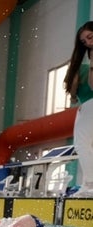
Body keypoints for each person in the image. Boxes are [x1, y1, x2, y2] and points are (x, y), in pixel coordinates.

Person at [63, 21, 93, 196]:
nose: (88, 43)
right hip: (87, 106)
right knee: (86, 146)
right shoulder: (82, 66)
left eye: (90, 37)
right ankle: (87, 183)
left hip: (90, 105)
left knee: (81, 144)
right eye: (84, 41)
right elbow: (73, 95)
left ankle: (89, 183)